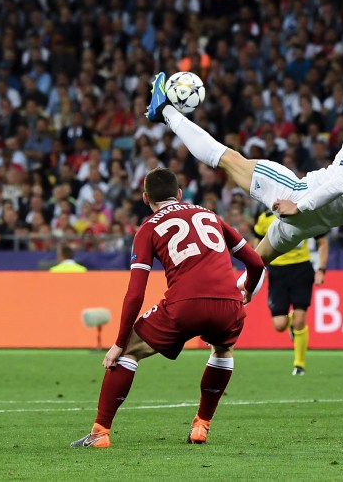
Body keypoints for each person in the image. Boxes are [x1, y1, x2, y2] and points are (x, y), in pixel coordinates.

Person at [146, 72, 343, 269]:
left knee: (229, 160)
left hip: (298, 196)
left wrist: (299, 205)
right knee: (255, 266)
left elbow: (338, 185)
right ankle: (229, 311)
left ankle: (166, 111)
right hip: (314, 226)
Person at [71, 168, 265, 448]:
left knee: (128, 353)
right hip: (229, 304)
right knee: (223, 349)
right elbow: (256, 264)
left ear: (145, 197)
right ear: (180, 194)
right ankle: (201, 426)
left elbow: (135, 293)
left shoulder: (148, 228)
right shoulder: (211, 215)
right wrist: (246, 290)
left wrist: (119, 342)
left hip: (184, 305)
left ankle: (100, 433)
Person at [253, 210, 329, 376]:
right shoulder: (265, 218)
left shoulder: (305, 213)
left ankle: (299, 364)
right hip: (277, 272)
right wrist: (257, 269)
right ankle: (292, 323)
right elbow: (257, 243)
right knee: (279, 325)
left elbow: (323, 242)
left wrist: (321, 269)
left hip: (301, 269)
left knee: (300, 319)